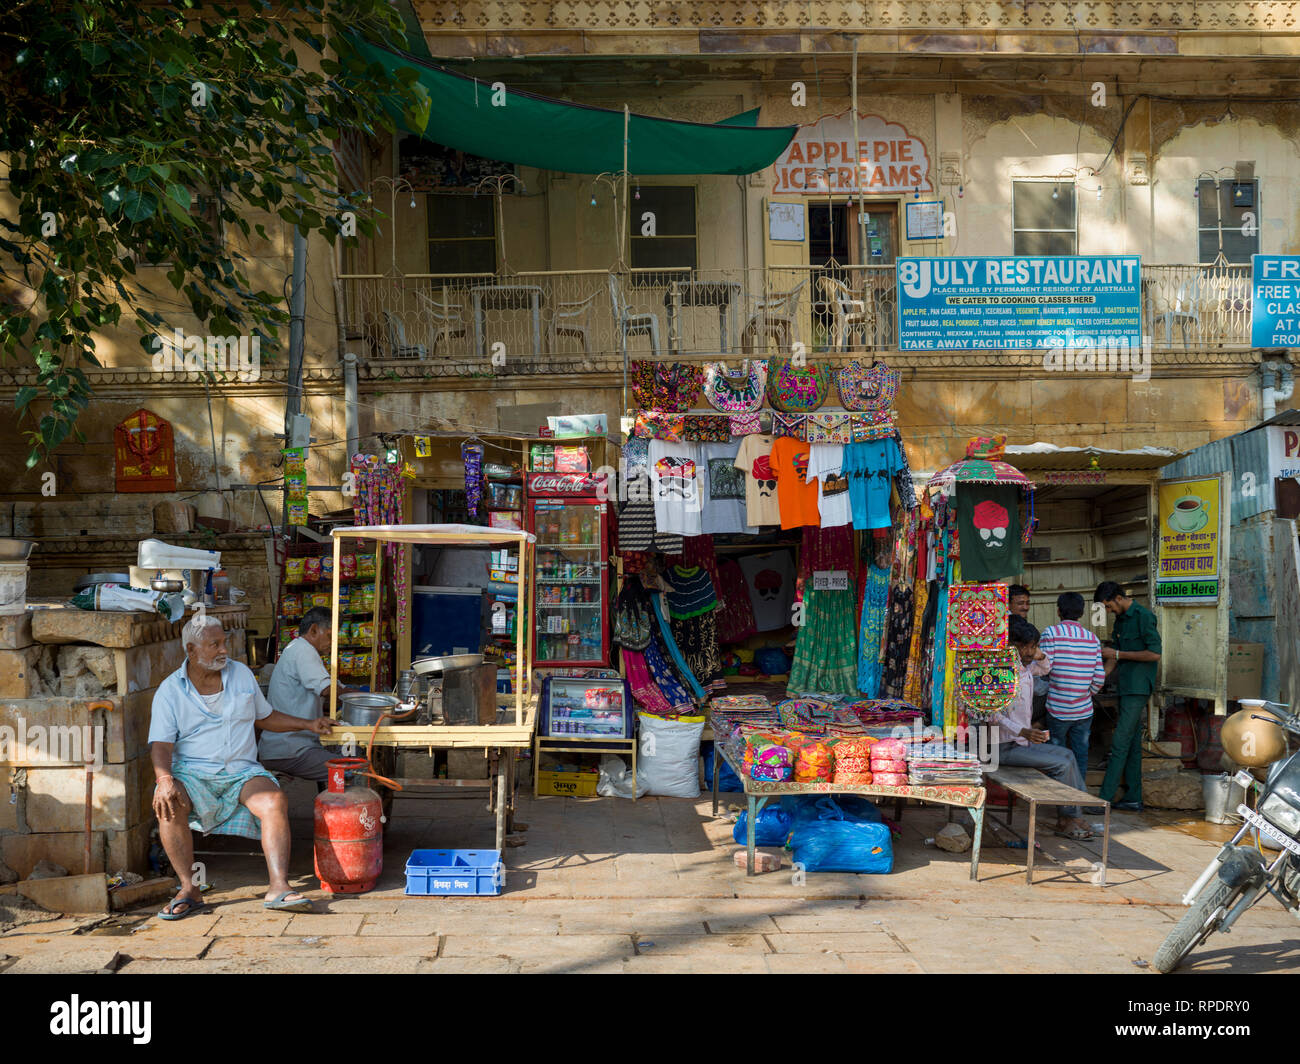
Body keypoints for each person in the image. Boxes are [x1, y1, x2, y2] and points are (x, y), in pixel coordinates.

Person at [149, 614, 334, 920]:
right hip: (193, 773)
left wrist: (309, 724)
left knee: (274, 800)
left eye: (225, 643)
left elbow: (264, 716)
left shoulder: (241, 674)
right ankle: (189, 889)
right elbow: (161, 745)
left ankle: (278, 887)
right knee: (168, 802)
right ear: (191, 651)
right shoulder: (171, 690)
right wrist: (165, 779)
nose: (224, 650)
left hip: (241, 772)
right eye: (214, 645)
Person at [987, 616, 1094, 840]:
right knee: (1062, 763)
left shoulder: (1026, 668)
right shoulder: (999, 672)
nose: (1031, 651)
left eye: (1033, 646)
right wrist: (1023, 731)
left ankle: (1071, 815)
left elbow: (1046, 668)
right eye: (1028, 646)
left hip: (1018, 744)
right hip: (1001, 747)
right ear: (1013, 645)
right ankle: (1069, 818)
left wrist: (1040, 654)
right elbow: (991, 713)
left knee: (1068, 755)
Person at [259, 606, 352, 785]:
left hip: (295, 743)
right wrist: (364, 698)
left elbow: (331, 688)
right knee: (350, 770)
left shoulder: (299, 649)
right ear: (314, 630)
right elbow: (327, 689)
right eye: (329, 636)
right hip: (289, 748)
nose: (332, 643)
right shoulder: (303, 651)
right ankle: (336, 810)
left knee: (349, 749)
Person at [1093, 581, 1162, 813]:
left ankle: (1104, 799)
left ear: (1119, 598)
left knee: (1120, 742)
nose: (1109, 611)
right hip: (1125, 686)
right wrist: (1099, 679)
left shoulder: (1144, 616)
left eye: (1109, 606)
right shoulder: (1120, 619)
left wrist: (1119, 654)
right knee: (1131, 744)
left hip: (1139, 687)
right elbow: (1114, 657)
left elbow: (1154, 654)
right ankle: (1133, 797)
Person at [1040, 592, 1106, 786]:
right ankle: (1078, 798)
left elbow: (1044, 668)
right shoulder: (1092, 638)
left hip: (1057, 709)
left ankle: (1059, 799)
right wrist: (1085, 694)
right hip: (1084, 710)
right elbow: (1099, 678)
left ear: (1059, 611)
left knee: (1056, 756)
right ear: (1082, 613)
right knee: (1081, 755)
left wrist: (1054, 688)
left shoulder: (1050, 633)